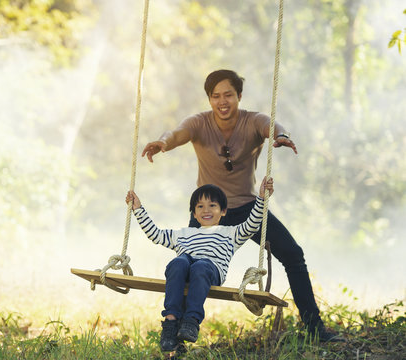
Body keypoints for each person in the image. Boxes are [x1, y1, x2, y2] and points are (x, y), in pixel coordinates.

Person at [141, 69, 343, 342]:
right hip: (208, 214)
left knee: (294, 256)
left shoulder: (251, 121)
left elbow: (271, 126)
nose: (222, 101)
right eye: (215, 96)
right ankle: (176, 335)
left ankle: (314, 328)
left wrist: (281, 136)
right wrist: (162, 143)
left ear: (239, 96)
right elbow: (176, 133)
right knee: (187, 266)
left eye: (228, 95)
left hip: (249, 209)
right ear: (209, 99)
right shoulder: (199, 123)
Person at [126, 177, 274, 352]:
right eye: (200, 206)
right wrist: (138, 209)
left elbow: (252, 224)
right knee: (178, 262)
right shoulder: (183, 234)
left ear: (223, 211)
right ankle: (171, 321)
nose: (206, 210)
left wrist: (262, 198)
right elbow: (155, 234)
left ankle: (191, 321)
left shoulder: (231, 233)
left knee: (200, 266)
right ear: (194, 213)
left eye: (212, 205)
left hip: (210, 271)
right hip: (186, 270)